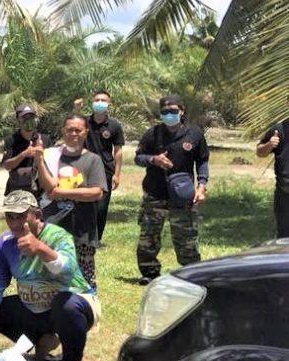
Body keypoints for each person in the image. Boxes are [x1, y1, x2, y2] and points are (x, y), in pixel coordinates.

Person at [0, 191, 99, 361]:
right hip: (37, 308)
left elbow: (68, 268)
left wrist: (40, 248)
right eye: (10, 217)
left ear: (37, 215)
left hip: (76, 303)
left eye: (21, 217)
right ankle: (42, 340)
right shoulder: (6, 243)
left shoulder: (58, 235)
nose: (14, 224)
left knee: (66, 306)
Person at [134, 95, 210, 285]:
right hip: (155, 192)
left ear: (182, 111)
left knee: (186, 237)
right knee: (148, 236)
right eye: (165, 111)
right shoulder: (153, 134)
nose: (169, 114)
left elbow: (202, 161)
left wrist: (201, 186)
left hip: (182, 194)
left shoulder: (194, 134)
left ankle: (191, 274)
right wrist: (153, 159)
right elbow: (138, 157)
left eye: (173, 111)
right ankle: (149, 272)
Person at [36, 115, 107, 289]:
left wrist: (62, 192)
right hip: (53, 228)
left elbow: (96, 192)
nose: (73, 134)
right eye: (70, 130)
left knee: (83, 281)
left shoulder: (93, 160)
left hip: (82, 230)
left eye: (78, 130)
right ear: (63, 131)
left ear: (86, 133)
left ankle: (85, 304)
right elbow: (47, 187)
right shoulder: (51, 156)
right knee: (50, 279)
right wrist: (39, 160)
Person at [72, 91, 125, 244]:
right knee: (82, 204)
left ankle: (97, 239)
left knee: (101, 207)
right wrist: (76, 109)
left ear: (109, 104)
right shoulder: (85, 122)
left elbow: (118, 151)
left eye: (103, 100)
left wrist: (117, 174)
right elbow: (73, 125)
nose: (100, 102)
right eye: (97, 100)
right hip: (83, 169)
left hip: (105, 170)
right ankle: (82, 237)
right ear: (92, 102)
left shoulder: (114, 125)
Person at [256, 97, 289, 237]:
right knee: (285, 237)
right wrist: (270, 145)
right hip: (285, 193)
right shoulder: (278, 129)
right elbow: (259, 152)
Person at [2, 104, 51, 198]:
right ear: (18, 121)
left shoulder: (45, 139)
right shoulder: (11, 140)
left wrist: (41, 156)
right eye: (24, 118)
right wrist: (24, 154)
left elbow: (52, 165)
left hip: (41, 192)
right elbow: (7, 165)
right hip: (17, 190)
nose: (28, 121)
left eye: (31, 117)